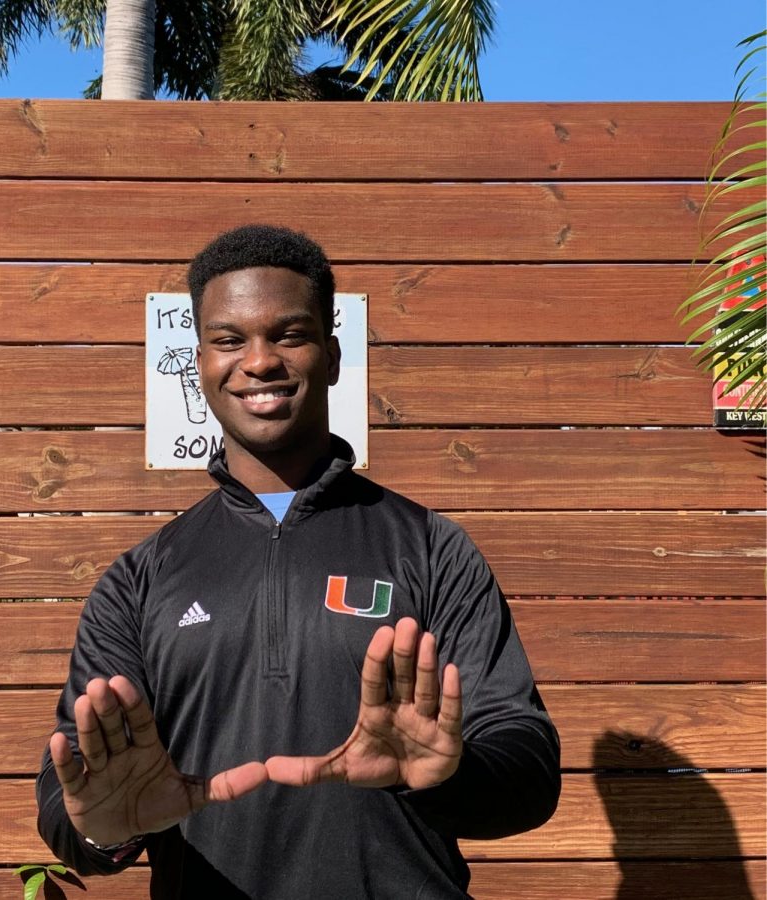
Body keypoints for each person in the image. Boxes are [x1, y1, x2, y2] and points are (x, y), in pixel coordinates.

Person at [36, 224, 560, 899]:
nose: (259, 362)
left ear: (334, 355)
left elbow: (527, 761)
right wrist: (104, 832)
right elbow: (73, 786)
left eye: (289, 334)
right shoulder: (140, 579)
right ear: (199, 363)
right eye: (229, 340)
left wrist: (445, 776)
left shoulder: (432, 548)